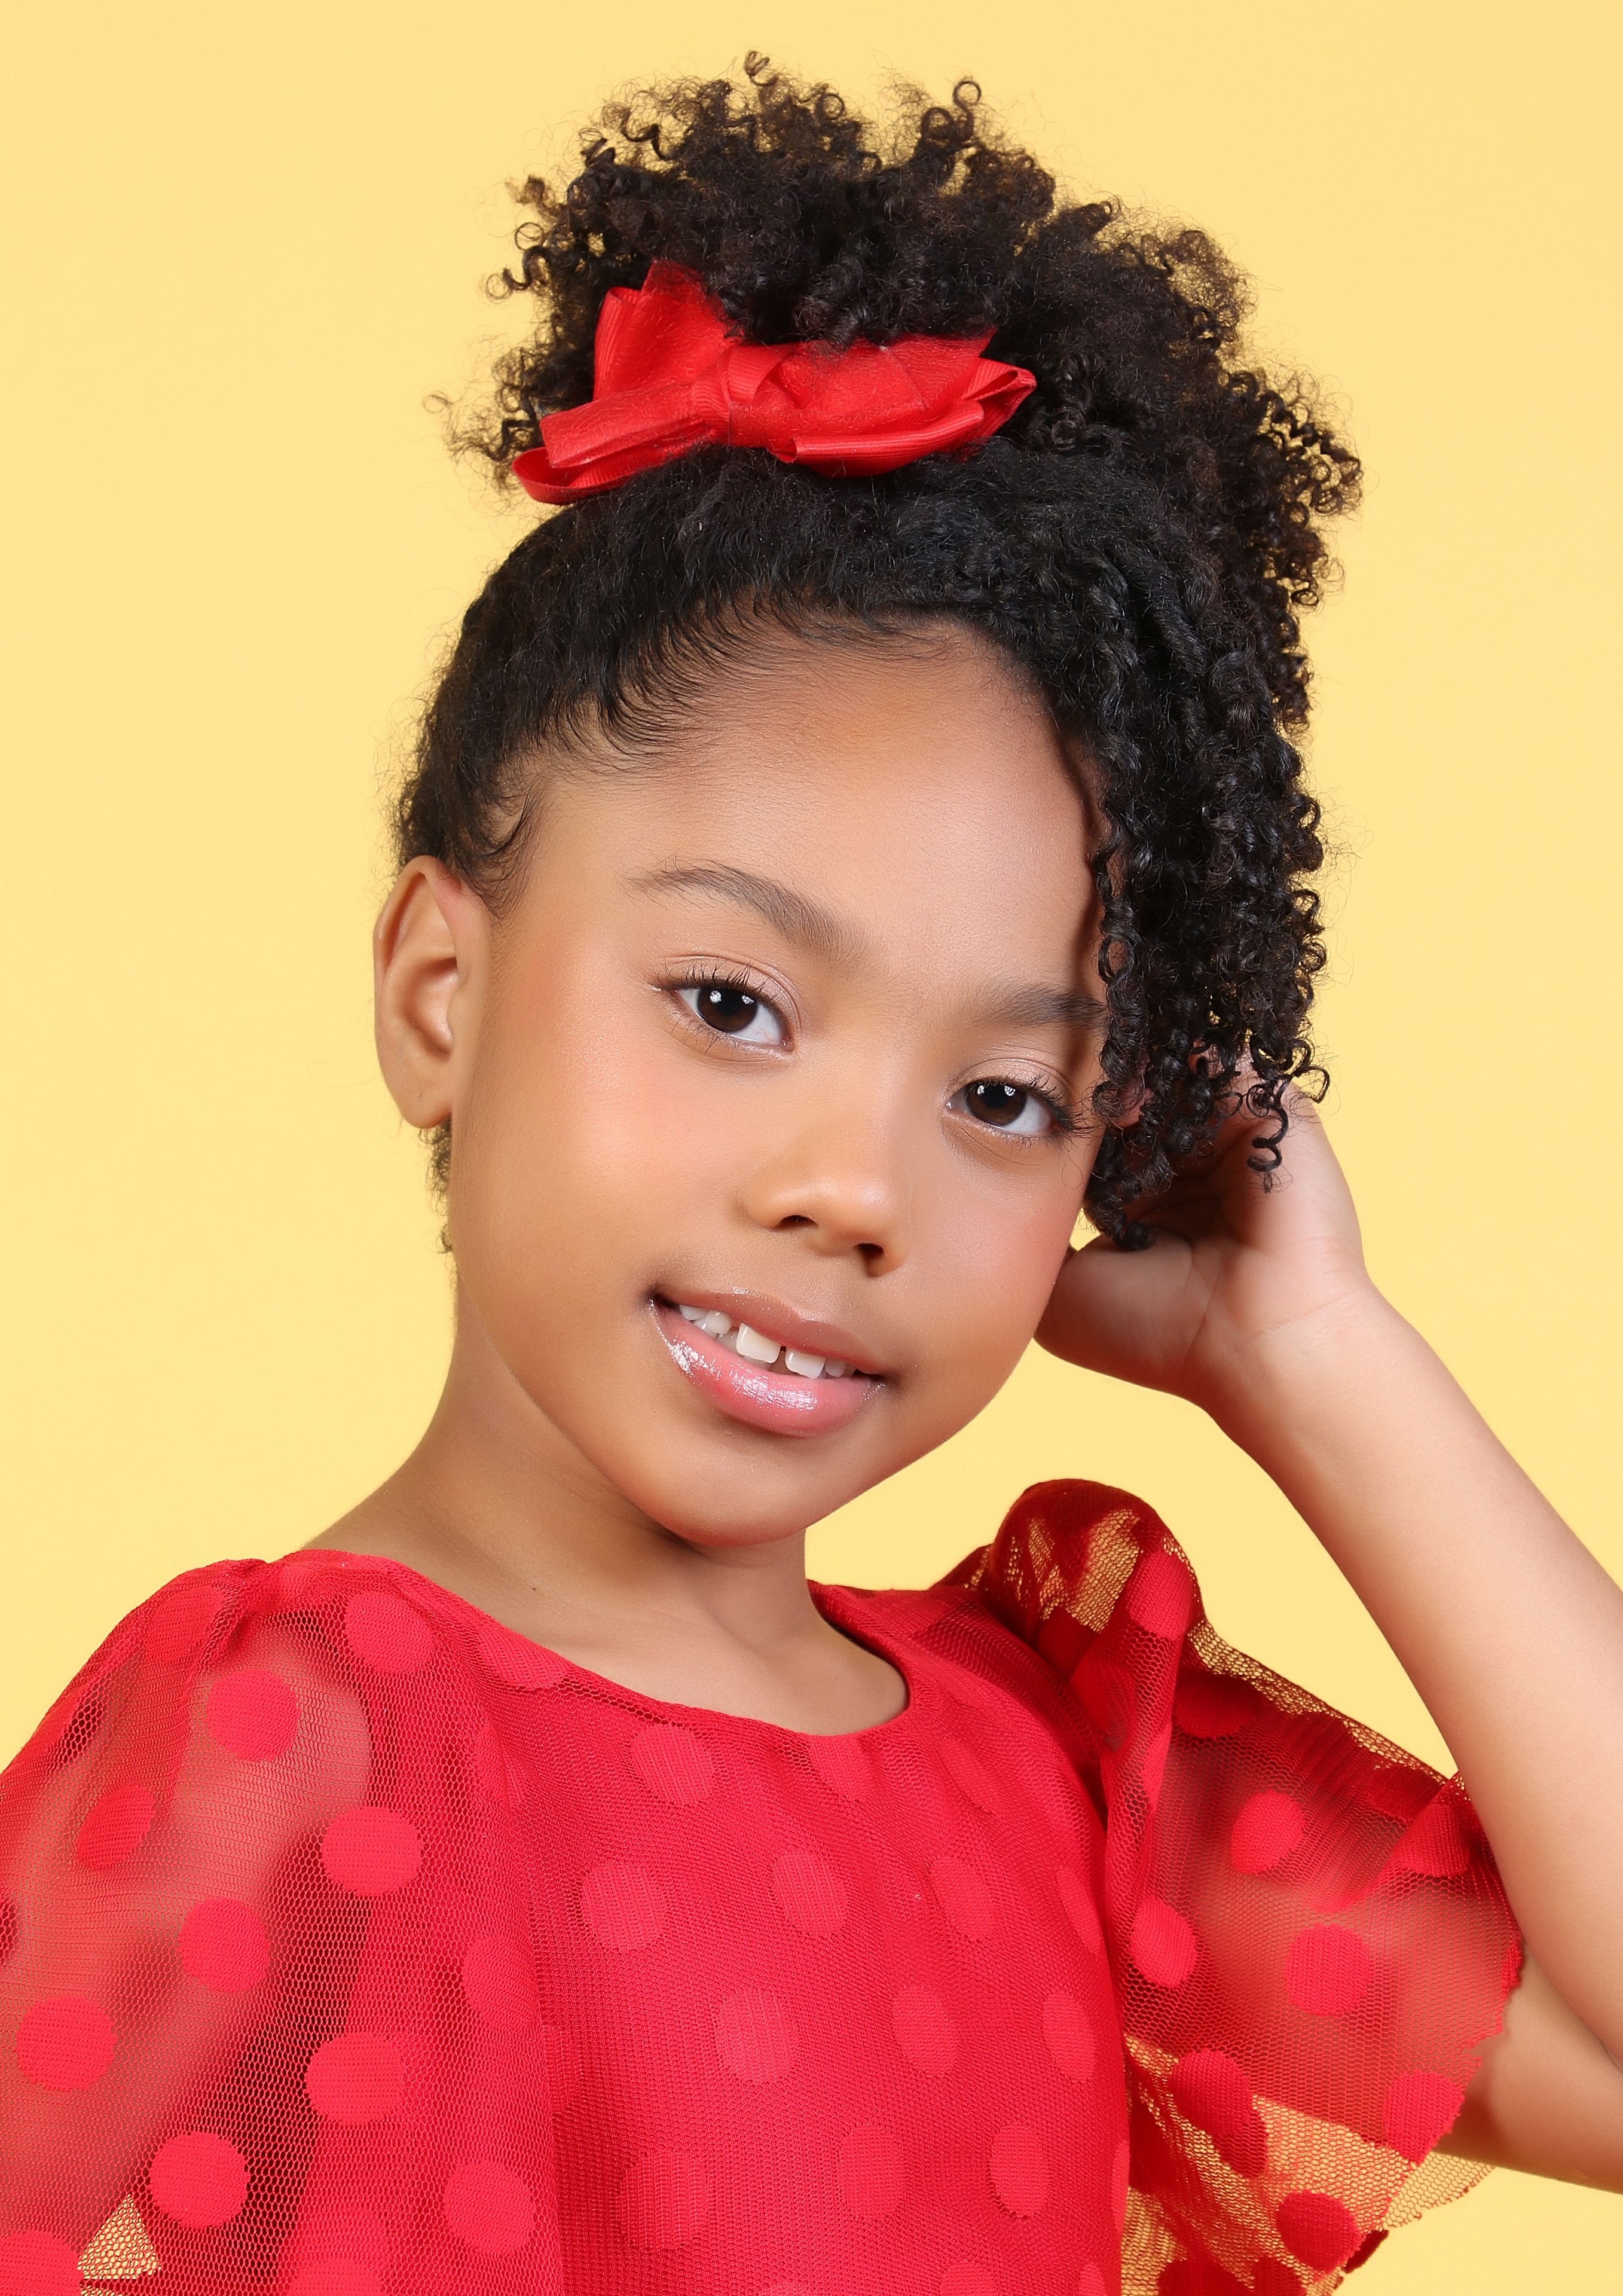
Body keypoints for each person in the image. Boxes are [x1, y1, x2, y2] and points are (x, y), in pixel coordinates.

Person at [2, 58, 1619, 2296]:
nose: (854, 1189)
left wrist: (1312, 1349)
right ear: (441, 994)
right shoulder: (290, 1732)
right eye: (732, 1004)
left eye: (1007, 1100)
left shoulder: (1055, 1763)